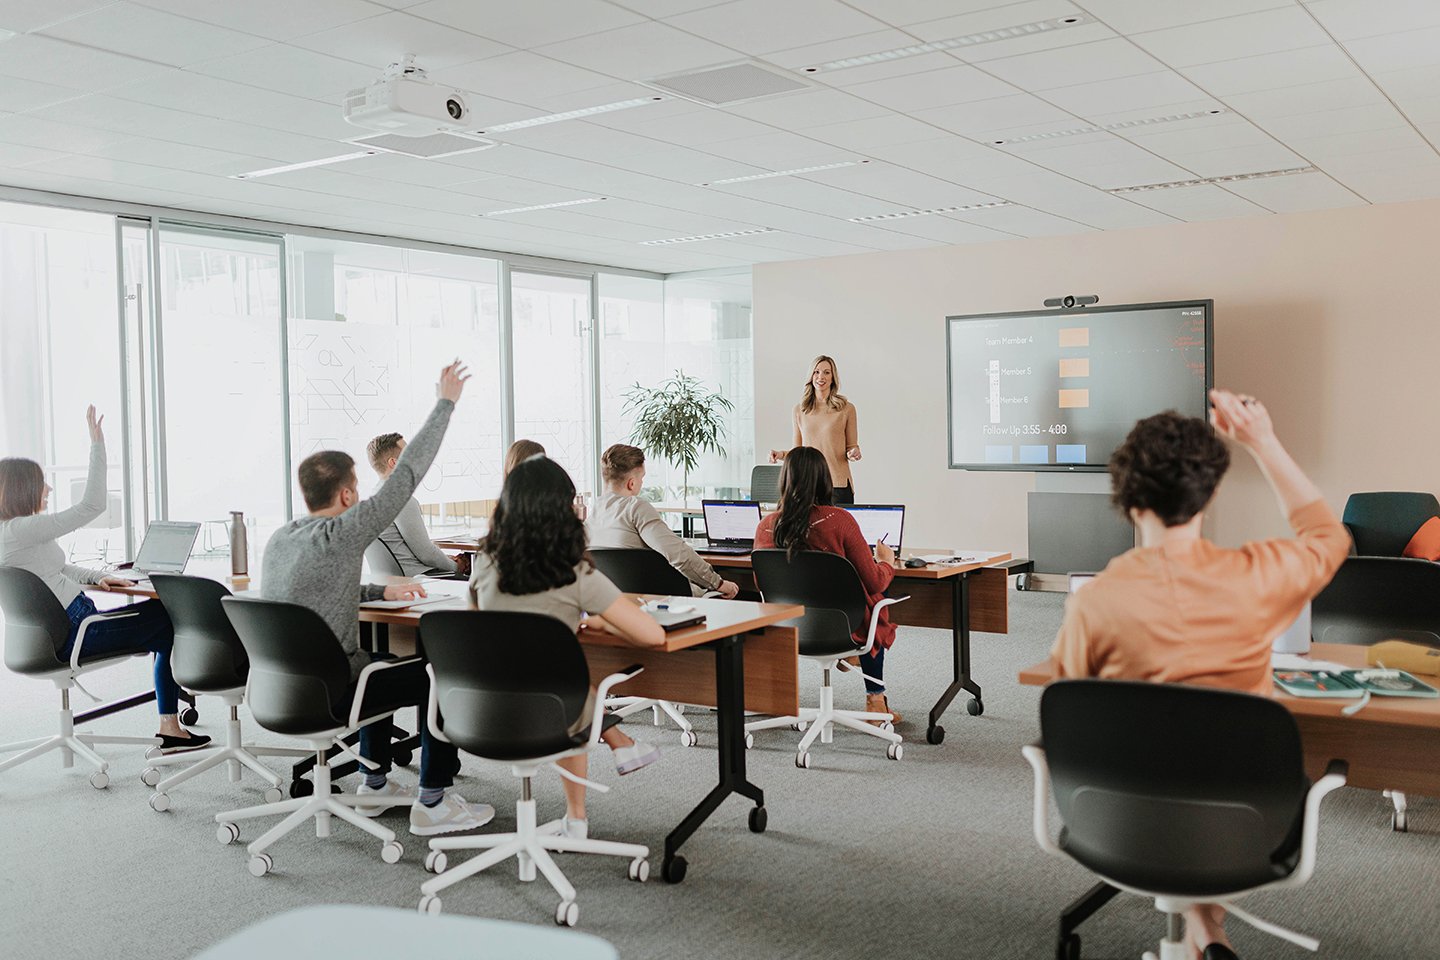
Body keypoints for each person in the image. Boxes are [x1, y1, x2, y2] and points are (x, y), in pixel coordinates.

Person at [1052, 389, 1349, 960]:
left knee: (1166, 761)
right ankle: (1207, 930)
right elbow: (1329, 537)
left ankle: (1202, 931)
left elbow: (1070, 704)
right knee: (1206, 773)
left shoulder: (1095, 602)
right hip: (1243, 829)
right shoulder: (1254, 578)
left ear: (1128, 497)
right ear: (1209, 493)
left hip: (1115, 821)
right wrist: (1261, 440)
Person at [262, 361, 494, 837]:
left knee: (380, 658)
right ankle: (433, 799)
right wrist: (446, 401)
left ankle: (373, 783)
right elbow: (407, 474)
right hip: (335, 687)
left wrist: (377, 590)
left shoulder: (281, 539)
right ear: (348, 495)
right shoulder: (344, 532)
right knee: (436, 671)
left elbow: (308, 592)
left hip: (283, 689)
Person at [470, 454, 664, 841]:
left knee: (555, 676)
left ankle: (581, 809)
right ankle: (586, 799)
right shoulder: (572, 572)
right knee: (565, 684)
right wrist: (602, 620)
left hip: (479, 709)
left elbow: (480, 627)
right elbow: (652, 636)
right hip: (549, 711)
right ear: (562, 510)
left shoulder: (483, 562)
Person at [0, 407, 209, 752]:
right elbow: (92, 505)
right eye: (42, 484)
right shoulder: (25, 528)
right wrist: (97, 445)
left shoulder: (13, 534)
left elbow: (57, 570)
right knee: (169, 619)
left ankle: (171, 719)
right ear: (24, 490)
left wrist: (102, 577)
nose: (48, 488)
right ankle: (171, 728)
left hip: (51, 635)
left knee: (154, 619)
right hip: (79, 632)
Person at [754, 445, 901, 723]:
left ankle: (780, 695)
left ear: (784, 479)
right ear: (825, 479)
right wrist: (886, 561)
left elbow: (762, 582)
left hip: (789, 628)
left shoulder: (766, 525)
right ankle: (875, 700)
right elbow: (873, 581)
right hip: (841, 627)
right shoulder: (839, 521)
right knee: (877, 600)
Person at [589, 443, 739, 599]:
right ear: (631, 483)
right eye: (642, 478)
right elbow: (678, 555)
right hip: (667, 602)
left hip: (618, 606)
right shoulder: (635, 507)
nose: (642, 483)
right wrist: (718, 583)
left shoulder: (592, 514)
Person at [365, 432, 468, 579]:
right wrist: (456, 566)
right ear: (393, 463)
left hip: (394, 580)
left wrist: (446, 560)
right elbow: (426, 554)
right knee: (480, 588)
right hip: (421, 579)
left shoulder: (374, 497)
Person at [769, 355, 861, 504]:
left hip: (837, 485)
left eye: (826, 372)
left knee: (839, 527)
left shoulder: (847, 408)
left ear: (833, 378)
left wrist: (854, 453)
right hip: (809, 484)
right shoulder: (799, 410)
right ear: (811, 376)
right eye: (816, 372)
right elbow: (798, 452)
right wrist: (780, 455)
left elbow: (852, 447)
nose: (821, 377)